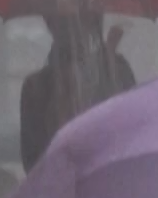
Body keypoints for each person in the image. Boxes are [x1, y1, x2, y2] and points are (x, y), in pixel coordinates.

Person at [22, 14, 136, 171]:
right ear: (50, 22)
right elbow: (35, 166)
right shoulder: (37, 88)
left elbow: (132, 143)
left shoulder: (118, 70)